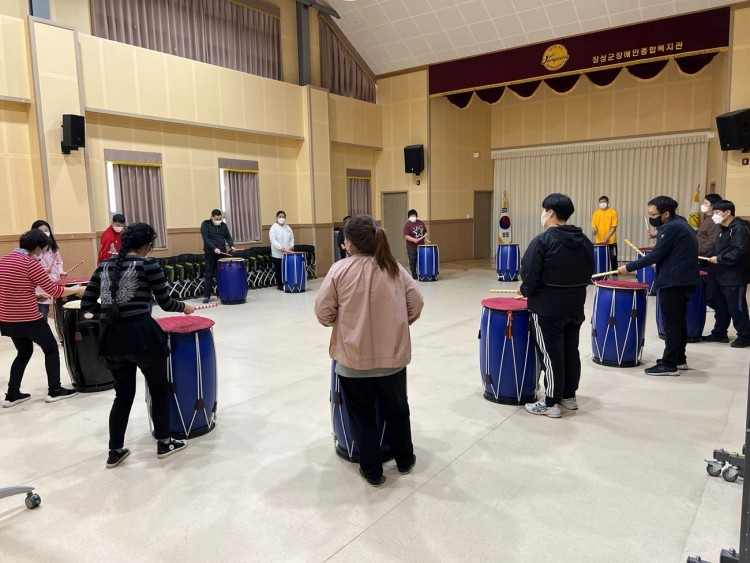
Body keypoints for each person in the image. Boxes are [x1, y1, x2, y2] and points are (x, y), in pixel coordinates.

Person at [315, 215, 423, 486]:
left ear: (349, 243)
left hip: (353, 362)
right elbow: (417, 303)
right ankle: (405, 460)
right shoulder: (394, 268)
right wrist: (398, 324)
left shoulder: (339, 271)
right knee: (398, 411)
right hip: (393, 360)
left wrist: (343, 323)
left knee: (362, 418)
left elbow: (323, 312)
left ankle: (373, 472)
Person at [81, 223, 195, 468]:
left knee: (122, 396)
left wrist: (111, 312)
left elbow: (87, 305)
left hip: (111, 338)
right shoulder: (148, 264)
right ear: (147, 245)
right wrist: (184, 307)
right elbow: (165, 302)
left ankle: (115, 451)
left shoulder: (103, 265)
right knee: (159, 389)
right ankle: (164, 443)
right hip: (142, 336)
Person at [520, 194, 594, 418]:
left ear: (550, 212)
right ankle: (569, 397)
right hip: (575, 306)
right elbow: (589, 272)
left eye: (544, 210)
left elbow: (529, 273)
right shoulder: (584, 240)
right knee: (570, 351)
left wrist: (525, 290)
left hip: (547, 309)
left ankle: (551, 402)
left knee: (550, 355)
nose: (542, 214)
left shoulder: (543, 240)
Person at [0, 230, 84, 407]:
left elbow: (11, 289)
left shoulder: (4, 260)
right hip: (29, 318)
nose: (43, 253)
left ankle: (12, 394)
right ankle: (55, 390)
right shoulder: (31, 263)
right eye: (44, 249)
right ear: (37, 247)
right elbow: (55, 291)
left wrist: (34, 296)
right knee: (51, 349)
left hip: (7, 318)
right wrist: (76, 290)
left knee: (23, 352)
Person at [618, 196, 699, 376]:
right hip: (683, 280)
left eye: (653, 214)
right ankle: (679, 359)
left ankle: (669, 365)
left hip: (675, 282)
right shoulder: (680, 223)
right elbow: (672, 253)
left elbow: (655, 255)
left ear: (666, 214)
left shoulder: (671, 228)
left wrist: (628, 267)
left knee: (671, 324)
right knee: (678, 321)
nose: (651, 218)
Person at [702, 200, 750, 348]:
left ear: (728, 212)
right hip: (720, 274)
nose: (714, 216)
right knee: (721, 305)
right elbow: (717, 249)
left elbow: (739, 250)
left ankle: (745, 336)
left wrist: (720, 259)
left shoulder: (739, 228)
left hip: (734, 276)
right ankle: (719, 333)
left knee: (736, 307)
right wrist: (704, 257)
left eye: (717, 213)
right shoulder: (723, 228)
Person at [200, 209, 236, 303]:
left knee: (221, 274)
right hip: (210, 253)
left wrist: (231, 245)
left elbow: (228, 237)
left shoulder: (223, 225)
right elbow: (206, 238)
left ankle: (221, 294)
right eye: (216, 219)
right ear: (212, 217)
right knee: (209, 274)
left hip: (222, 252)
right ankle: (206, 296)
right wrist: (214, 248)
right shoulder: (205, 224)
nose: (218, 220)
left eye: (220, 219)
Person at [31, 220, 64, 318]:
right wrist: (43, 270)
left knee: (58, 310)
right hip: (41, 285)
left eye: (46, 230)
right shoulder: (33, 250)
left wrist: (61, 272)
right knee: (42, 311)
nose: (45, 233)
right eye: (41, 231)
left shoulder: (53, 247)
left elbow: (59, 262)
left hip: (55, 281)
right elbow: (32, 266)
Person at [696, 193, 722, 310]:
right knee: (706, 280)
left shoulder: (714, 220)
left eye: (705, 203)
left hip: (708, 255)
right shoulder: (708, 219)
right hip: (702, 254)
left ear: (713, 206)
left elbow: (713, 241)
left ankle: (711, 303)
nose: (702, 205)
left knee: (710, 280)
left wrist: (700, 250)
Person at [591, 195, 618, 271]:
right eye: (600, 202)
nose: (602, 203)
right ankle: (602, 273)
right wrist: (594, 231)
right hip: (600, 242)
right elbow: (594, 228)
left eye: (604, 201)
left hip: (611, 241)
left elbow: (614, 227)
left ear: (608, 202)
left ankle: (614, 274)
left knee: (613, 257)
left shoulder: (613, 212)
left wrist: (607, 237)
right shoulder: (596, 213)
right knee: (601, 259)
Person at [269, 210, 294, 291]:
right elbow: (273, 240)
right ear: (277, 217)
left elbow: (291, 237)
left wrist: (291, 245)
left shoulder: (288, 227)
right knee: (279, 270)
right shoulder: (273, 228)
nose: (282, 218)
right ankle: (279, 285)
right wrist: (280, 247)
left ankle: (287, 283)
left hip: (287, 253)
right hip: (277, 254)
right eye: (280, 217)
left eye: (283, 217)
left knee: (287, 269)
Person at [403, 209, 427, 279]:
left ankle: (421, 272)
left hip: (421, 246)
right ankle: (414, 273)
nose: (413, 217)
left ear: (416, 216)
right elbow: (406, 236)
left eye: (414, 215)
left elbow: (425, 231)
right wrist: (413, 240)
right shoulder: (407, 225)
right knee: (413, 261)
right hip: (411, 247)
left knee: (422, 260)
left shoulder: (421, 223)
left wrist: (426, 236)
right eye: (411, 216)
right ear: (409, 217)